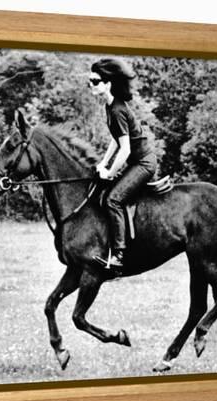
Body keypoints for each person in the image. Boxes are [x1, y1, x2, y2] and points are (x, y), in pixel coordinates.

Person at [89, 58, 158, 270]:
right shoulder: (110, 107)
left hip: (144, 163)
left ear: (108, 84)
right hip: (136, 161)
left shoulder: (117, 110)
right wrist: (103, 164)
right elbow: (115, 140)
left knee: (113, 200)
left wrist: (109, 172)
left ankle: (119, 255)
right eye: (90, 81)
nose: (91, 85)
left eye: (95, 81)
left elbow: (126, 149)